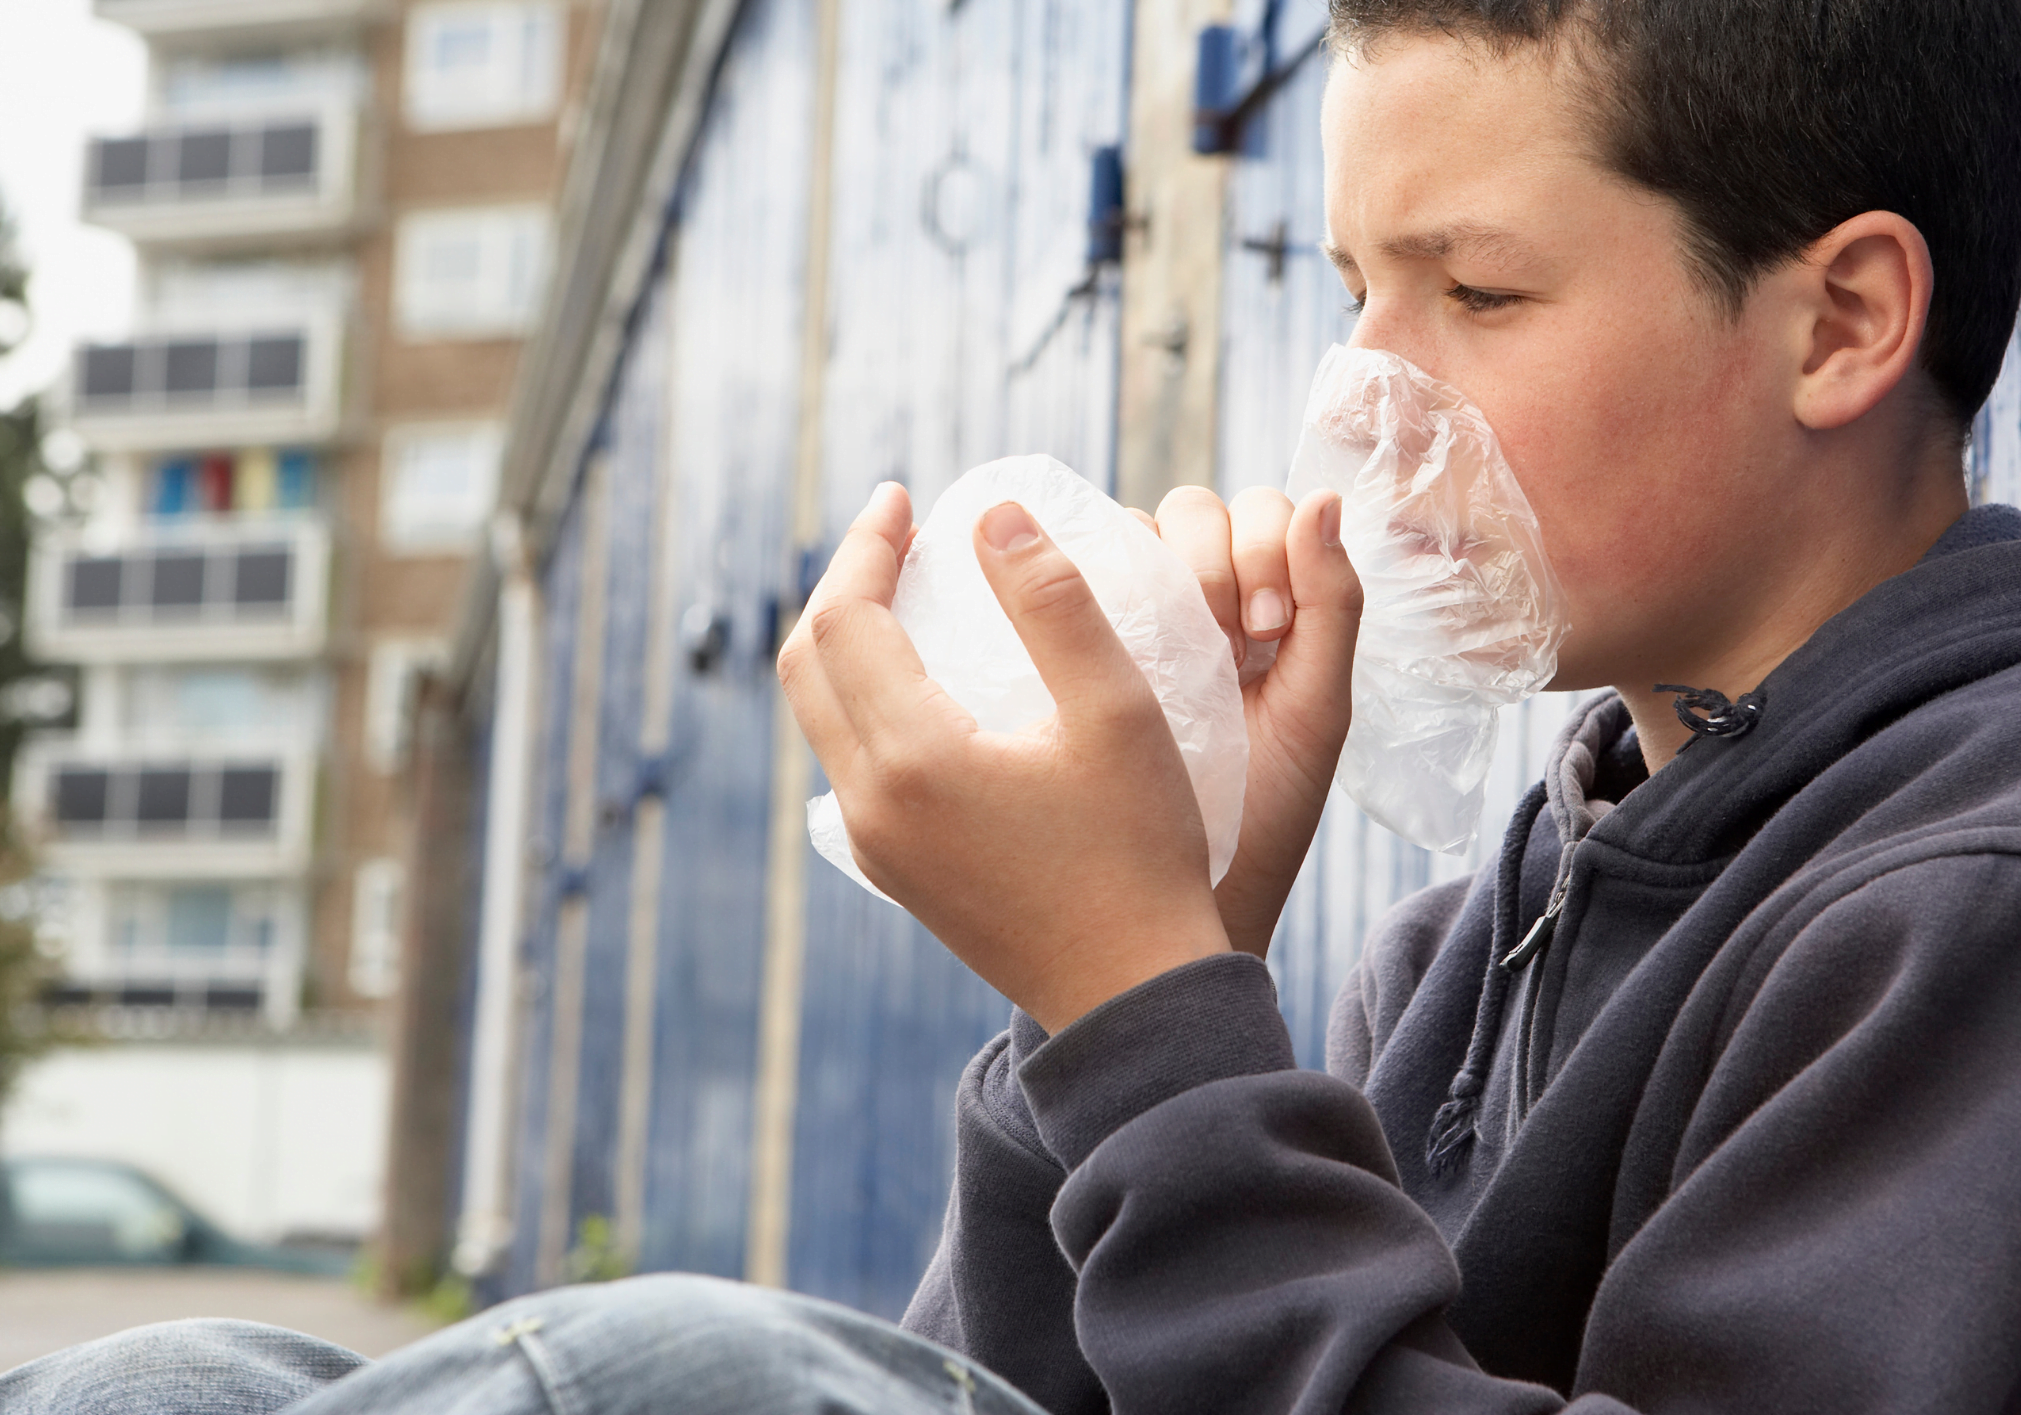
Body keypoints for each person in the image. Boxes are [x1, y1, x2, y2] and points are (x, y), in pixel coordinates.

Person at [6, 0, 2018, 1411]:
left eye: (1475, 297)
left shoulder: (1956, 894)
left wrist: (1148, 1009)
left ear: (1837, 321)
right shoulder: (1511, 892)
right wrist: (1155, 958)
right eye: (1348, 291)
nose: (1354, 403)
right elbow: (981, 1391)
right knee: (181, 1374)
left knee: (657, 1370)